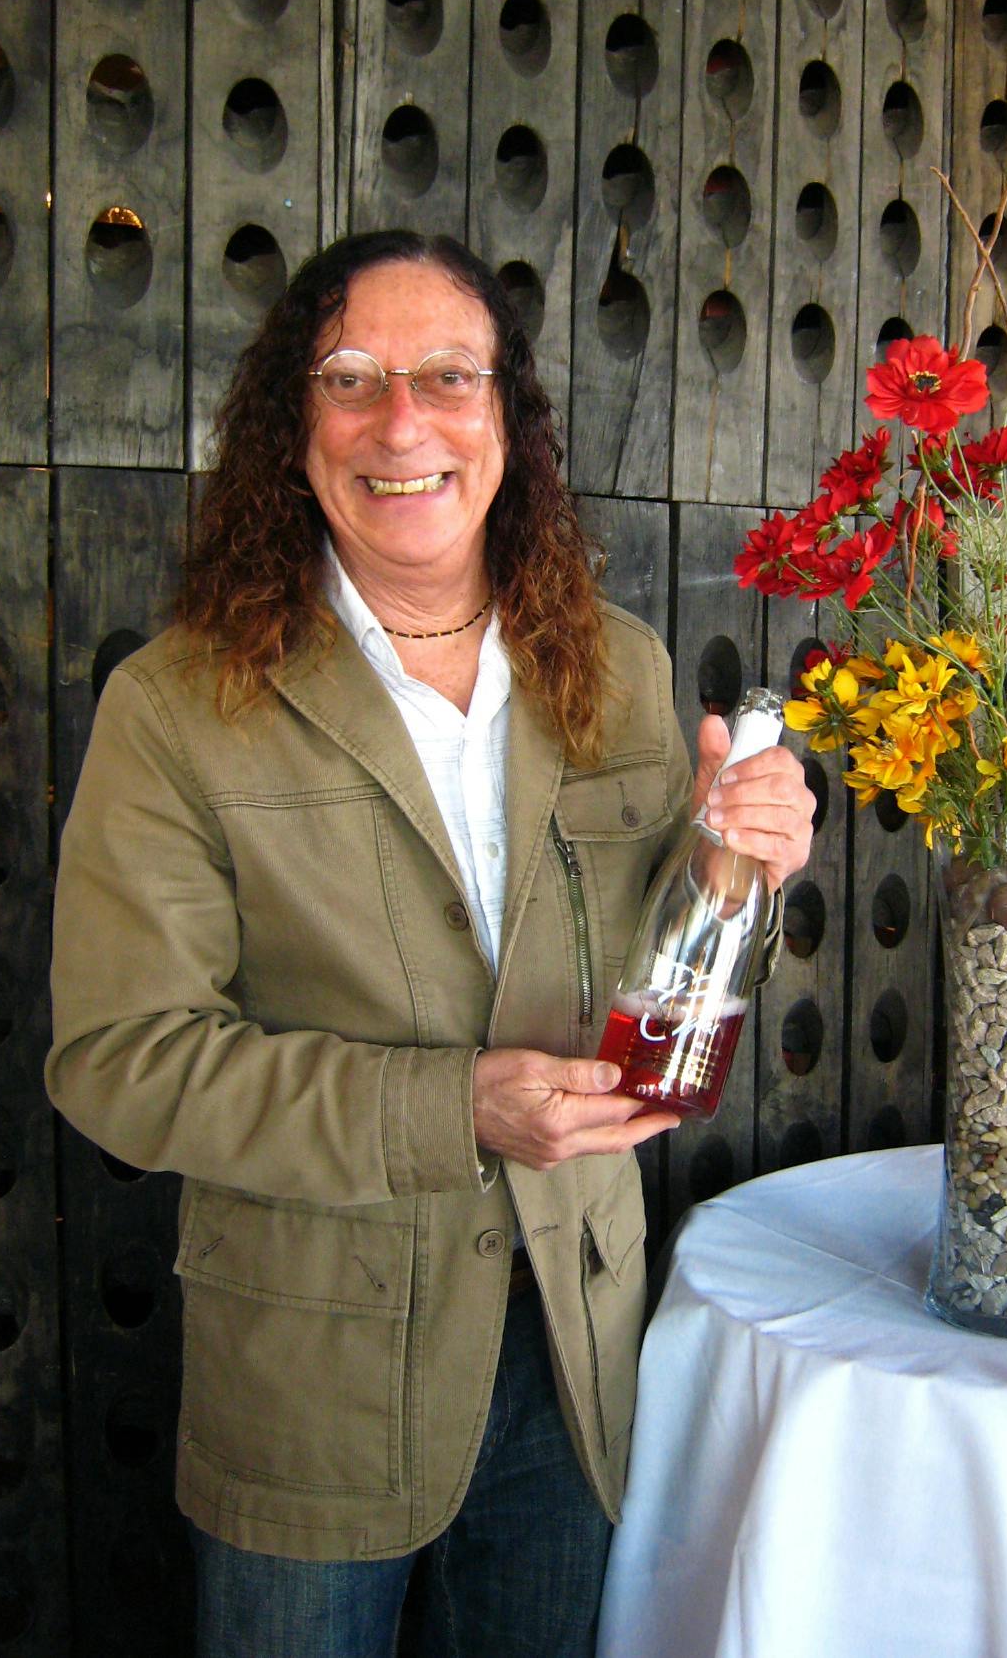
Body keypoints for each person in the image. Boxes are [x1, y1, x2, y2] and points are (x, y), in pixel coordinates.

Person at [46, 230, 815, 1658]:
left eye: (448, 376)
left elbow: (670, 977)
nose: (402, 423)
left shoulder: (621, 669)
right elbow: (120, 1062)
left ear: (506, 422)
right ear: (294, 434)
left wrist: (737, 869)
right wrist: (451, 1110)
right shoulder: (180, 705)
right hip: (316, 1375)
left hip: (574, 1349)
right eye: (350, 379)